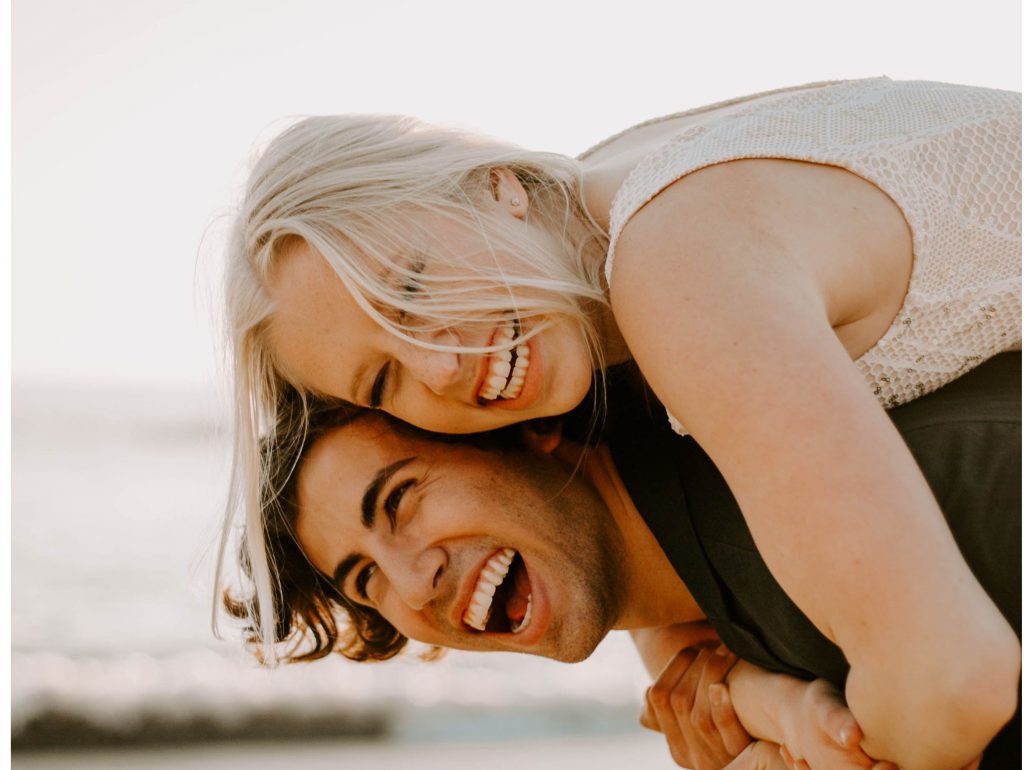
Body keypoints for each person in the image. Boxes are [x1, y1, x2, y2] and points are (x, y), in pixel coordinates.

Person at [220, 78, 1021, 767]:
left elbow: (951, 683)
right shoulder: (603, 217)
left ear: (495, 182)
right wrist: (731, 684)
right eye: (386, 377)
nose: (439, 368)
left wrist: (775, 738)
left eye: (413, 290)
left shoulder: (675, 259)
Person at [225, 353, 1021, 770]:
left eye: (401, 501)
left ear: (519, 428)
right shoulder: (728, 570)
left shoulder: (804, 537)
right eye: (365, 580)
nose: (411, 582)